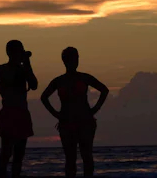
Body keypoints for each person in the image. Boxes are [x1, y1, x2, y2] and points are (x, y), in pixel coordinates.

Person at [40, 47, 109, 178]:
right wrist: (56, 114)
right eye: (70, 59)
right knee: (70, 158)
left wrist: (95, 109)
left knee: (86, 156)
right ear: (64, 61)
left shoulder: (84, 77)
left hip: (85, 122)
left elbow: (104, 90)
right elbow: (44, 97)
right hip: (67, 123)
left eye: (75, 58)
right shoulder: (59, 81)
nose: (73, 62)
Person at [0, 40, 38, 178]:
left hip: (22, 112)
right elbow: (7, 85)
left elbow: (34, 85)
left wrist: (27, 65)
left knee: (19, 154)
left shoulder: (24, 69)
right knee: (6, 152)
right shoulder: (2, 69)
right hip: (9, 112)